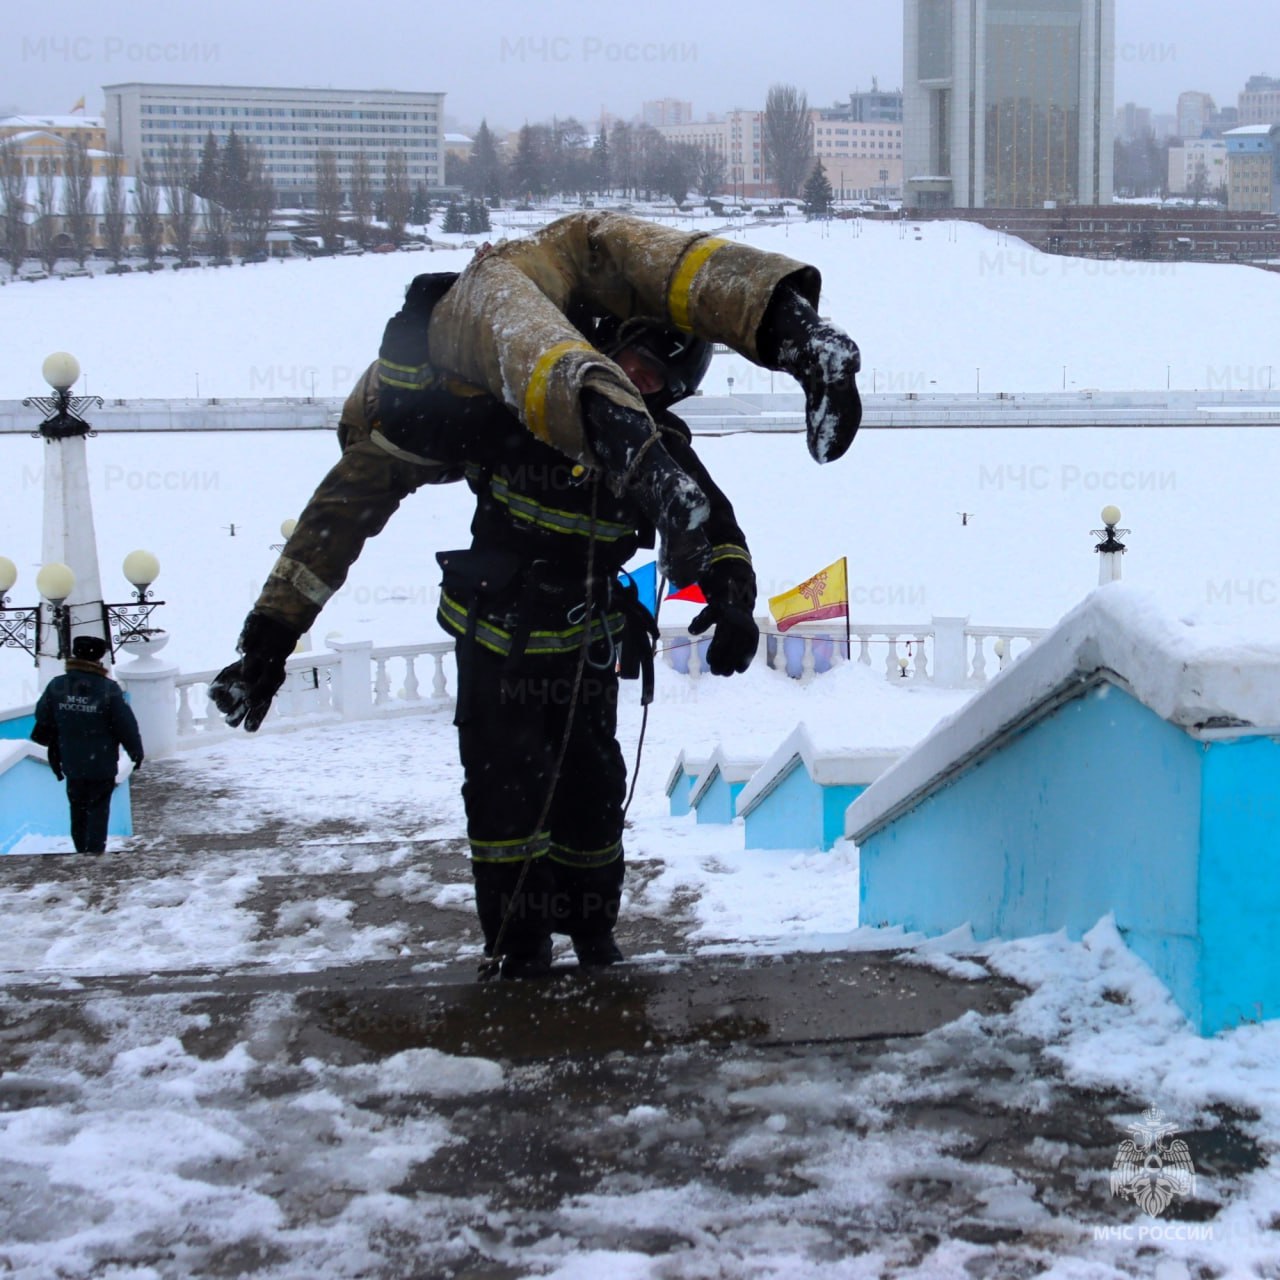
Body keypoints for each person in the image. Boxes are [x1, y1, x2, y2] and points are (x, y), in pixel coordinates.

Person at [210, 215, 862, 976]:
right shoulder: (500, 418)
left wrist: (731, 591)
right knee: (503, 810)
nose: (646, 384)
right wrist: (268, 640)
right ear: (603, 344)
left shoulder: (668, 448)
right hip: (500, 650)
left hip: (584, 655)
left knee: (593, 805)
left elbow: (714, 524)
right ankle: (516, 949)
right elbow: (345, 509)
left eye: (662, 378)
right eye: (636, 365)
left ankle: (594, 938)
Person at [32, 634, 144, 855]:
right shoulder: (108, 688)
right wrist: (135, 752)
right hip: (101, 762)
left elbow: (42, 715)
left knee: (78, 808)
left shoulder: (57, 685)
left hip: (71, 761)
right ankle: (93, 854)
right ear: (99, 658)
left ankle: (81, 850)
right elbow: (125, 725)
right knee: (98, 809)